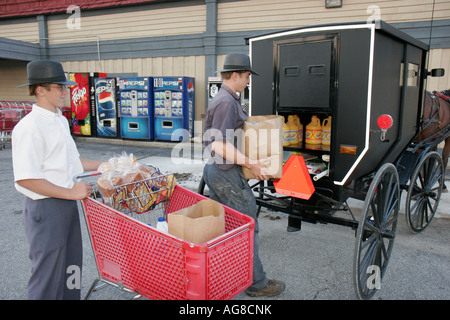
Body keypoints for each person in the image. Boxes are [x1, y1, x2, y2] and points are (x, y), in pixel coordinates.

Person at [12, 59, 104, 300]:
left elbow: (72, 161)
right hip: (47, 205)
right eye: (59, 87)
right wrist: (73, 193)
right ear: (40, 90)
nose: (66, 91)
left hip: (67, 202)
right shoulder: (28, 127)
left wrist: (107, 166)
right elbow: (26, 179)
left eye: (65, 86)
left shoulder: (60, 120)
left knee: (71, 268)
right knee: (48, 276)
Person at [202, 53, 285, 297]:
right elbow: (219, 145)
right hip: (224, 172)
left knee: (222, 227)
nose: (249, 80)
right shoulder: (226, 102)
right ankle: (256, 284)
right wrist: (253, 164)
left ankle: (221, 273)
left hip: (218, 171)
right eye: (247, 76)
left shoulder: (228, 98)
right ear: (235, 75)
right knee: (248, 225)